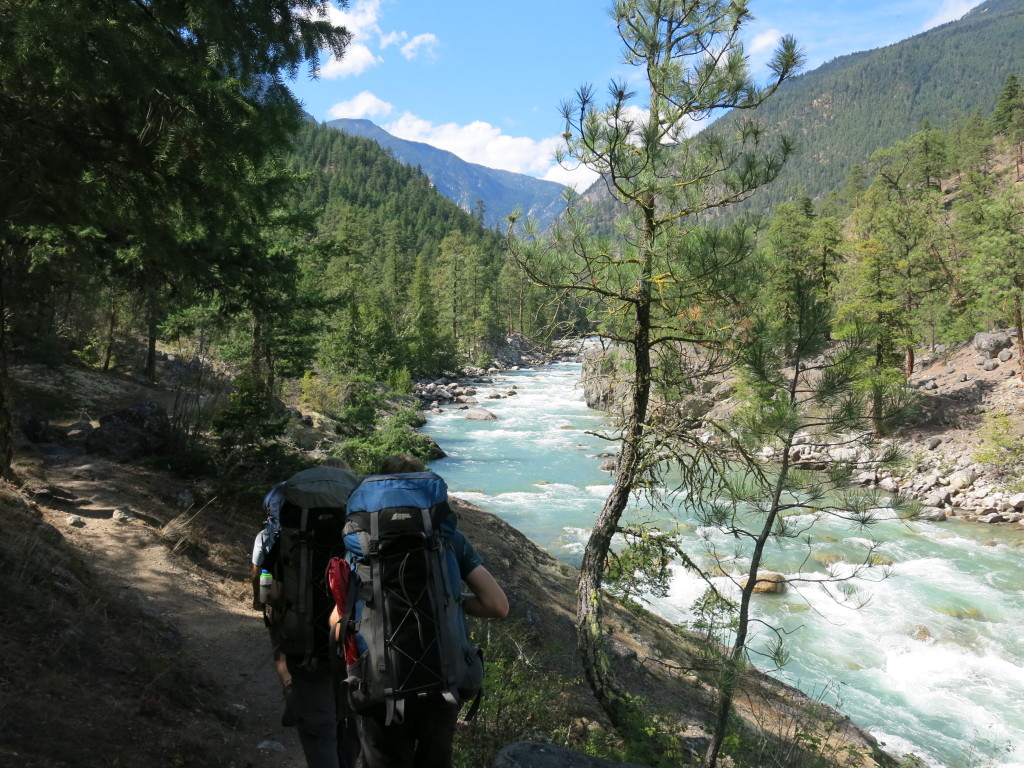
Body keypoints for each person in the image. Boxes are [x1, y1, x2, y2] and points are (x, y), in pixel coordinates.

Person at [331, 454, 509, 768]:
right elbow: (497, 605)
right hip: (443, 678)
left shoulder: (358, 545)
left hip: (379, 684)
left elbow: (337, 623)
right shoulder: (448, 539)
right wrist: (452, 601)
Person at [252, 457, 362, 768]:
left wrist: (265, 603)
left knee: (318, 728)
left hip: (304, 641)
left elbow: (265, 581)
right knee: (350, 721)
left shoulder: (285, 534)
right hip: (353, 643)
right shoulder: (359, 531)